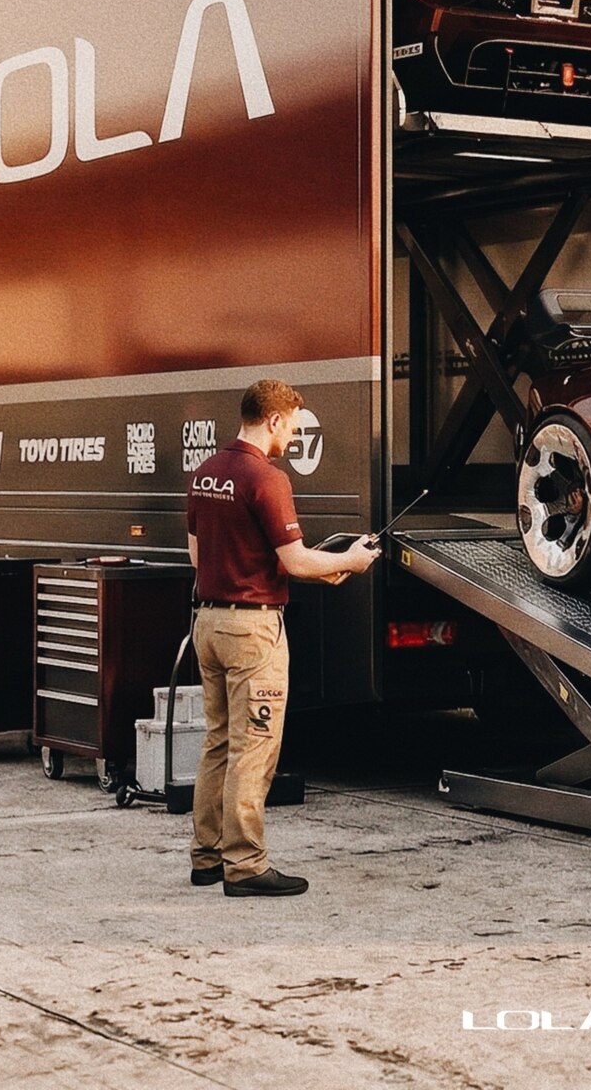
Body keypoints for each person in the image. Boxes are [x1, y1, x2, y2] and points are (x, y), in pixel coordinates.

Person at [185, 379, 379, 898]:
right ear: (272, 420)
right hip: (252, 631)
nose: (292, 437)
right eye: (292, 425)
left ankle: (207, 858)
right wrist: (349, 561)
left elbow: (197, 558)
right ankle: (245, 866)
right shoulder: (266, 479)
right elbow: (294, 561)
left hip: (208, 621)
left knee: (219, 743)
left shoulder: (205, 474)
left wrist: (307, 567)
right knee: (255, 749)